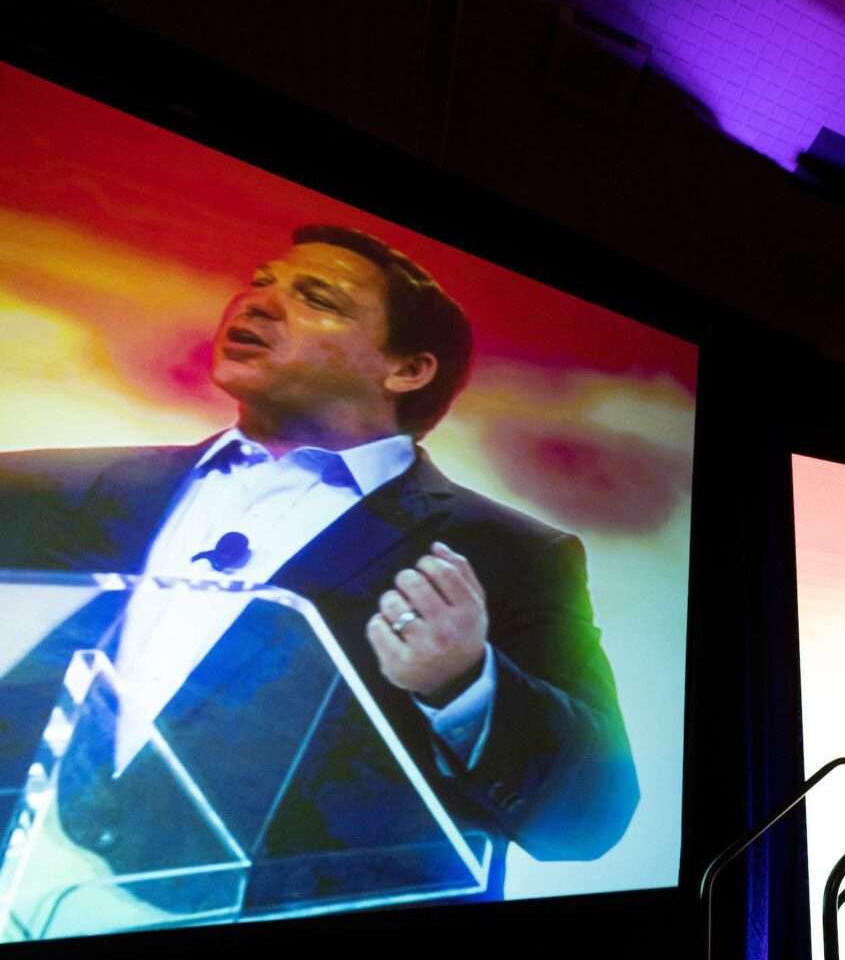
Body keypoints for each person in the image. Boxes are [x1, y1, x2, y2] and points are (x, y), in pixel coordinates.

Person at [0, 226, 638, 917]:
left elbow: (593, 817)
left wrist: (468, 686)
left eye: (317, 298)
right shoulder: (45, 491)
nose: (258, 302)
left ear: (408, 370)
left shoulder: (505, 552)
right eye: (261, 280)